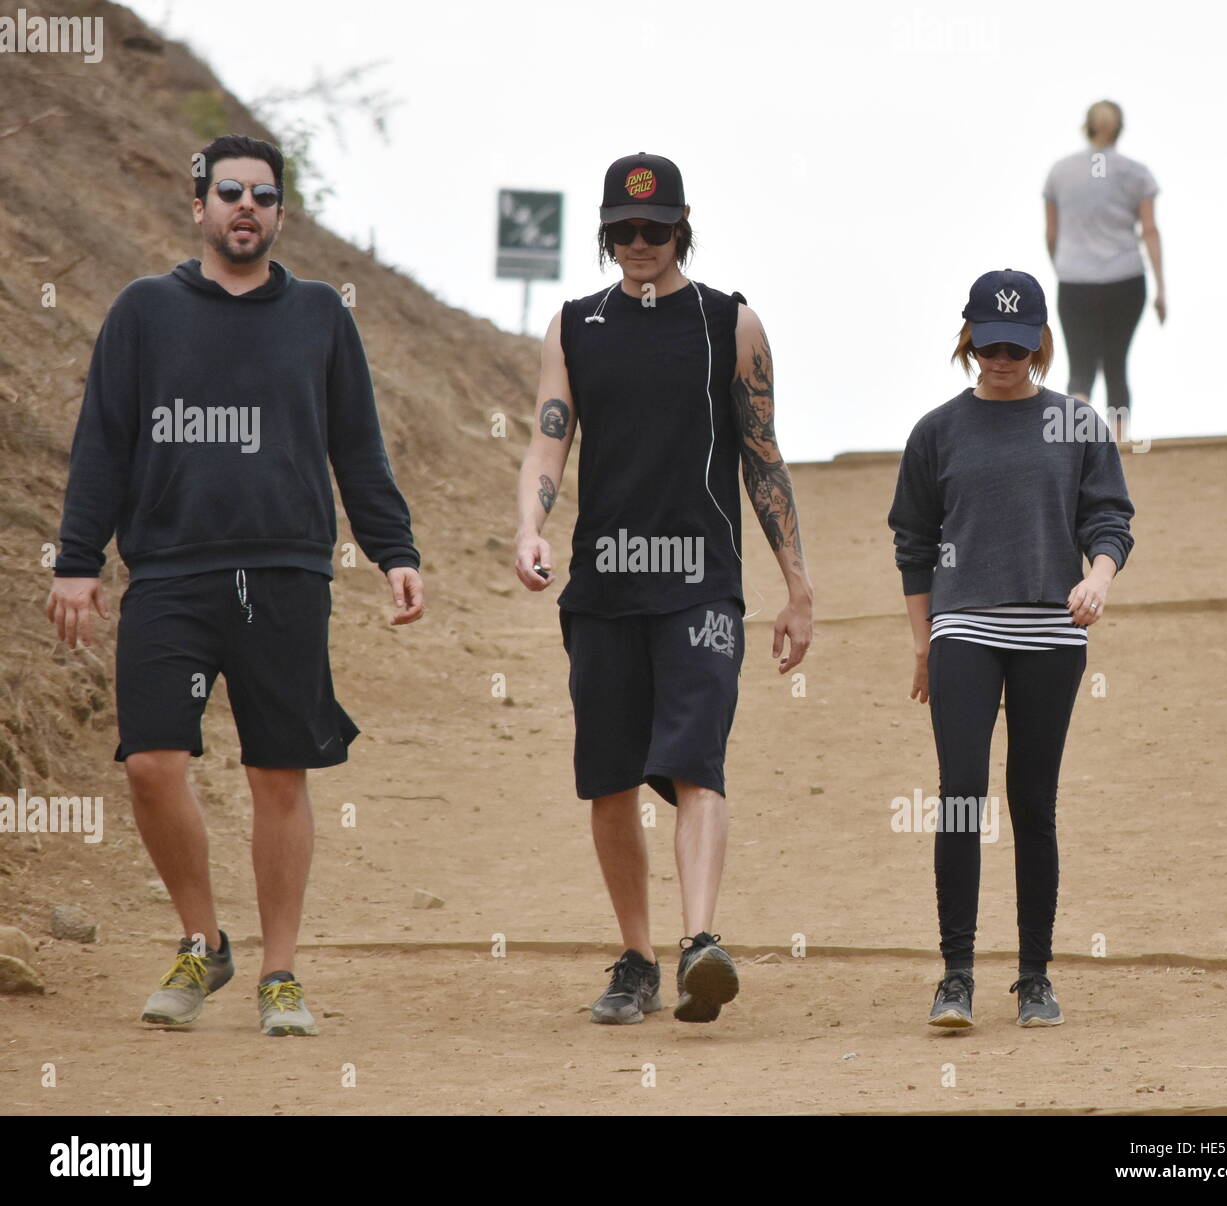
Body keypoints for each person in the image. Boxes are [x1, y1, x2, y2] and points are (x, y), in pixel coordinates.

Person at [46, 134, 424, 1036]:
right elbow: (103, 440)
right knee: (150, 763)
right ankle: (203, 941)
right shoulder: (143, 312)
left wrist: (394, 551)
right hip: (171, 571)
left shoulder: (323, 315)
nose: (245, 206)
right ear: (199, 206)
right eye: (228, 192)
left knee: (278, 775)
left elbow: (357, 448)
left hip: (288, 571)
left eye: (262, 194)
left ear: (282, 213)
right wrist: (74, 559)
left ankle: (280, 975)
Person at [514, 152, 813, 1025]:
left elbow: (764, 458)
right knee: (608, 778)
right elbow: (546, 443)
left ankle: (700, 945)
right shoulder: (574, 325)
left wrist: (797, 588)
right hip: (603, 588)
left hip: (700, 585)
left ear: (682, 229)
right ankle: (636, 959)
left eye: (656, 229)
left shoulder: (732, 324)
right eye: (623, 231)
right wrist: (530, 527)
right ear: (607, 237)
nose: (639, 243)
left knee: (694, 762)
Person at [887, 268, 1135, 1029]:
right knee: (961, 791)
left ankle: (1034, 977)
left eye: (1017, 346)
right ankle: (955, 975)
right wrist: (925, 641)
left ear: (1040, 343)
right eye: (990, 344)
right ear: (968, 340)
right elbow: (914, 543)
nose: (1003, 357)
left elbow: (1109, 520)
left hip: (1052, 630)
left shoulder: (1076, 423)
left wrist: (1098, 579)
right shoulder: (937, 430)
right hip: (963, 625)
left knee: (1034, 799)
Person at [1044, 100, 1165, 443]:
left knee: (1080, 364)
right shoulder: (1136, 172)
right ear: (1120, 128)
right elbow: (1150, 230)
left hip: (1075, 279)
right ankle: (1121, 441)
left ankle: (1071, 439)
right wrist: (1161, 288)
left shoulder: (1060, 172)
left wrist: (1065, 265)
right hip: (1125, 278)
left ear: (1087, 126)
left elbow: (1051, 234)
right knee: (1116, 362)